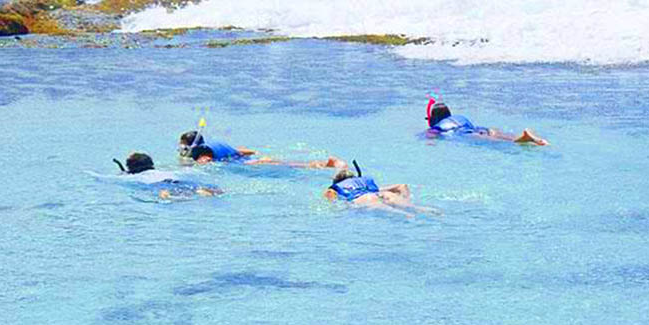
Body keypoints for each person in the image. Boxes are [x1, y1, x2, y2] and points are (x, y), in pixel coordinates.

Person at [181, 130, 347, 169]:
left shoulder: (202, 154)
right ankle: (327, 163)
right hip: (250, 159)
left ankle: (328, 165)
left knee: (292, 166)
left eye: (183, 146)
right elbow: (241, 150)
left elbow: (206, 163)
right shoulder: (213, 144)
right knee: (288, 163)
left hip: (253, 165)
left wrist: (191, 166)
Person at [423, 99, 548, 145]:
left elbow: (430, 138)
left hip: (465, 133)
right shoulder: (458, 117)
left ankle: (522, 139)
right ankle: (522, 137)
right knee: (496, 134)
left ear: (433, 118)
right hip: (478, 129)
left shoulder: (436, 127)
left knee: (493, 142)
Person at [323, 162, 428, 212]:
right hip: (382, 194)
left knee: (398, 213)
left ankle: (406, 214)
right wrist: (407, 200)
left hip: (365, 199)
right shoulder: (365, 184)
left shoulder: (334, 189)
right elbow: (402, 186)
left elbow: (331, 202)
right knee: (415, 208)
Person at [114, 152, 222, 200]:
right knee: (196, 189)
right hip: (177, 180)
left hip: (160, 185)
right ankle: (204, 192)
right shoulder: (161, 171)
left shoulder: (136, 177)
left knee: (165, 195)